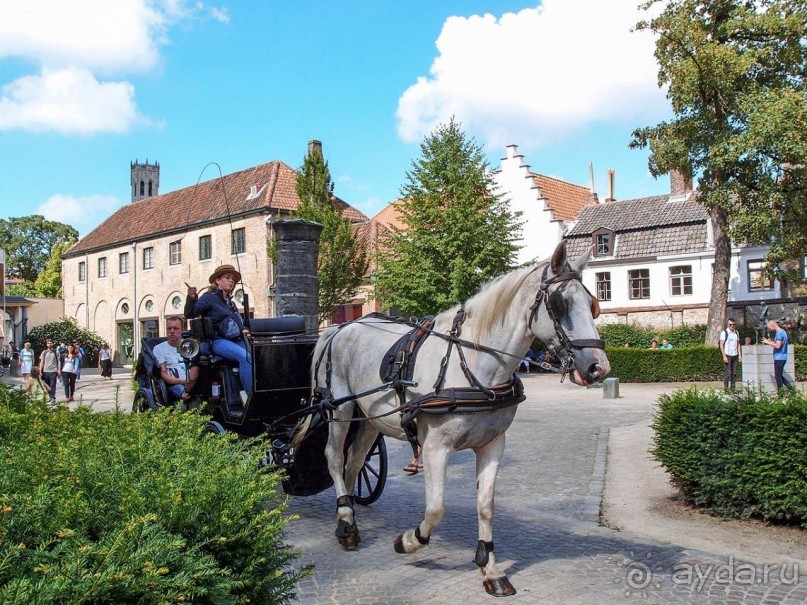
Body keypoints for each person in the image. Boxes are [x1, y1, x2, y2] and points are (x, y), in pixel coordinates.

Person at [185, 264, 252, 404]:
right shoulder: (209, 297)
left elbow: (236, 321)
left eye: (233, 278)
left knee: (257, 355)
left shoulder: (230, 303)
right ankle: (251, 397)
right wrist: (191, 298)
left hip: (234, 339)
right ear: (217, 281)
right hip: (216, 341)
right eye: (227, 277)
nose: (231, 281)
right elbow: (191, 313)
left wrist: (243, 329)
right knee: (244, 357)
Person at [153, 316, 199, 402]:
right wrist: (184, 382)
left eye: (176, 328)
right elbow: (164, 375)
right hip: (175, 385)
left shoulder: (190, 345)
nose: (172, 331)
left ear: (182, 329)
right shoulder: (159, 349)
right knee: (183, 391)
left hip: (194, 382)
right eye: (169, 328)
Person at [762, 319, 792, 391]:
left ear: (773, 325)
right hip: (782, 357)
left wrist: (768, 342)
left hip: (779, 358)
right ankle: (792, 391)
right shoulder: (783, 332)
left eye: (770, 328)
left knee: (778, 377)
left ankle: (781, 395)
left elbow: (778, 346)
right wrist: (771, 342)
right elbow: (779, 345)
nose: (770, 330)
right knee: (779, 376)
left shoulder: (779, 333)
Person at [719, 317, 742, 391]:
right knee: (727, 373)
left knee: (734, 373)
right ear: (728, 324)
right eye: (730, 324)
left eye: (733, 324)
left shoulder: (736, 332)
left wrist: (740, 355)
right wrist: (724, 356)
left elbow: (738, 344)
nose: (732, 326)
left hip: (735, 354)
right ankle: (726, 389)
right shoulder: (724, 332)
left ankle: (733, 388)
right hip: (727, 354)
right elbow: (721, 344)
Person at [38, 338, 61, 404]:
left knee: (53, 385)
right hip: (45, 371)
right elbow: (42, 362)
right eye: (48, 343)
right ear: (46, 344)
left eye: (51, 343)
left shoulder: (56, 352)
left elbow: (59, 361)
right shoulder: (44, 352)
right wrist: (40, 371)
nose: (49, 344)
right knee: (46, 385)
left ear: (53, 344)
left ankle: (52, 397)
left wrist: (59, 370)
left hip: (53, 371)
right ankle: (47, 397)